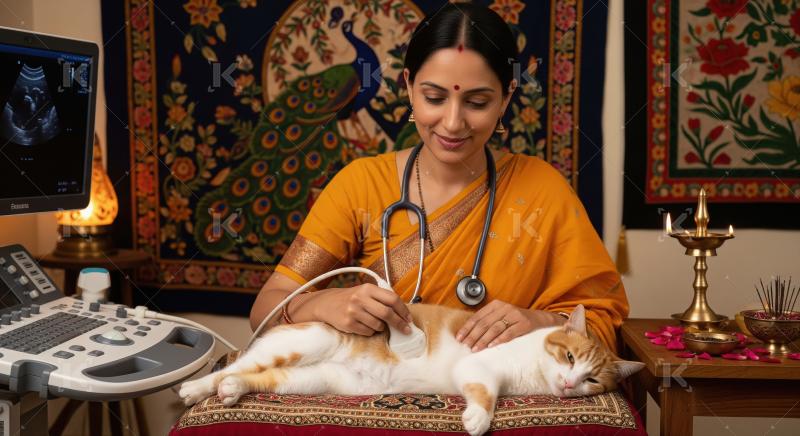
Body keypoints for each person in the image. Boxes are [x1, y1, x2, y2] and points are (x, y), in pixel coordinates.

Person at [250, 2, 629, 353]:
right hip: (381, 395)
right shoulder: (360, 184)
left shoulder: (543, 189)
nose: (452, 123)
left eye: (477, 103)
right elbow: (264, 311)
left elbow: (602, 322)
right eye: (434, 97)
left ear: (507, 98)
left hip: (493, 402)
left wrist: (539, 323)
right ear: (408, 87)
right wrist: (323, 302)